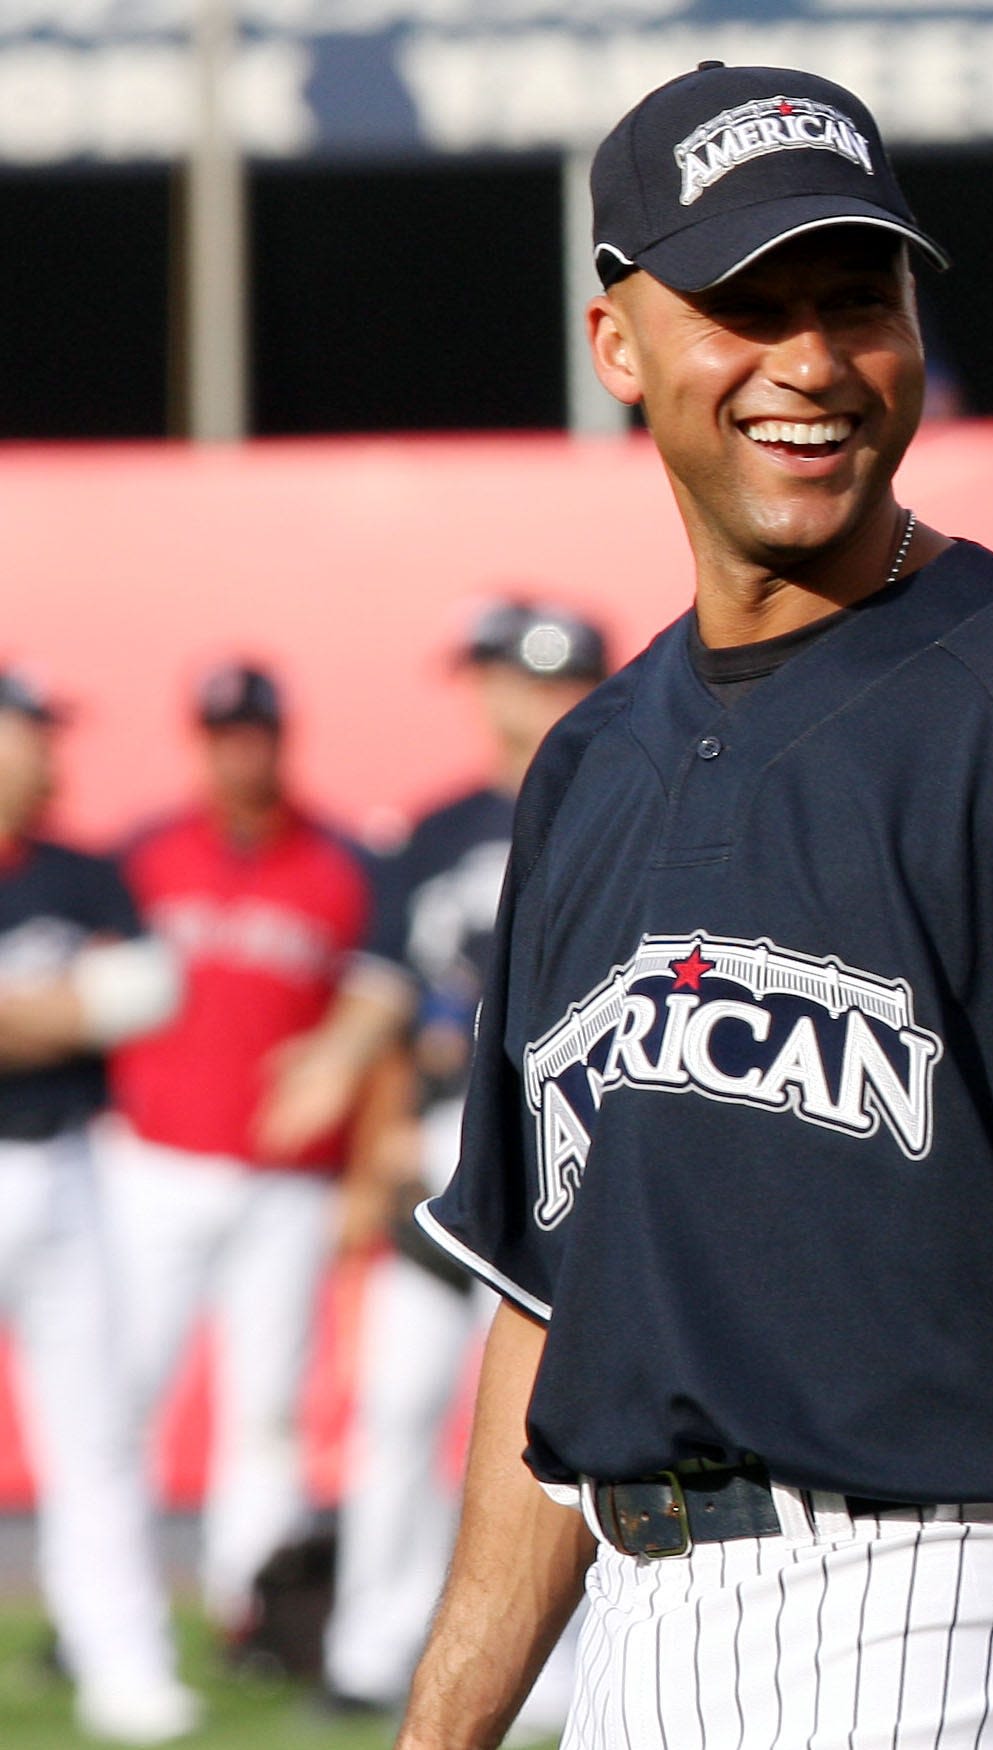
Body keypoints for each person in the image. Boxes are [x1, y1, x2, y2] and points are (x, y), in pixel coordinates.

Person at [394, 63, 993, 1750]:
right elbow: (553, 1321)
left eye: (857, 301)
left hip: (961, 1613)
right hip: (636, 1621)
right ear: (618, 341)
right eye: (746, 309)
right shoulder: (592, 763)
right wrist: (445, 1726)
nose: (815, 364)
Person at [321, 601, 608, 1726]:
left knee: (568, 1415)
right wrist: (361, 1147)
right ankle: (370, 1640)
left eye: (535, 678)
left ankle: (573, 1653)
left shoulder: (627, 802)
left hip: (575, 1140)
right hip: (448, 1148)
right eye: (499, 675)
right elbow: (389, 1004)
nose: (512, 699)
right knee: (399, 1401)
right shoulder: (437, 833)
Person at [104, 659, 378, 1640]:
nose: (241, 752)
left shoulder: (341, 862)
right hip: (153, 1162)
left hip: (287, 1182)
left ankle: (247, 1607)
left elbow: (374, 1006)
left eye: (255, 733)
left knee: (267, 1406)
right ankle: (107, 1607)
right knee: (122, 1389)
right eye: (225, 735)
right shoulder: (143, 856)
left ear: (280, 738)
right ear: (202, 741)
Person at [0, 667, 195, 1743]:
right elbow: (95, 1002)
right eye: (31, 732)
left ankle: (125, 1666)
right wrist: (60, 1010)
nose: (47, 755)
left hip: (72, 1165)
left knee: (98, 1432)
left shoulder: (80, 873)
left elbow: (147, 996)